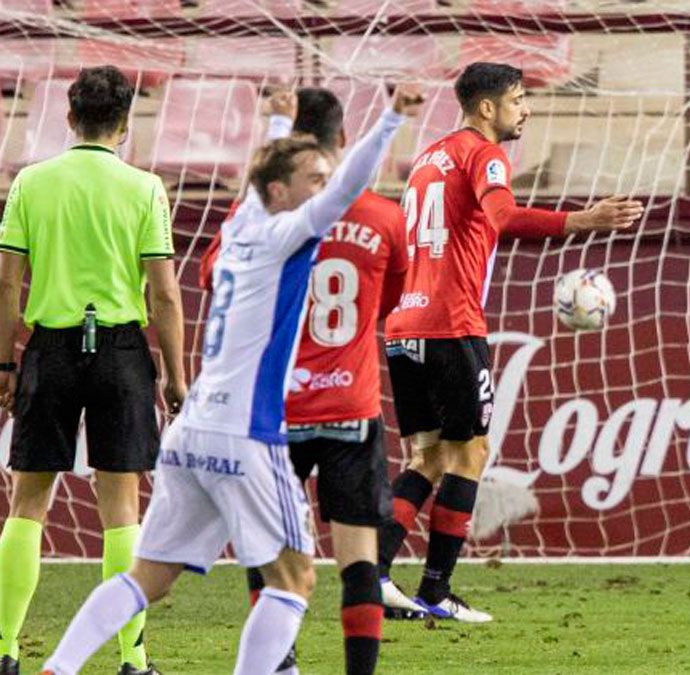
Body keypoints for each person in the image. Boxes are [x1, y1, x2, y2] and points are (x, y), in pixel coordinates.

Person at [37, 84, 420, 675]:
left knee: (149, 578)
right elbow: (347, 187)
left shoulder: (244, 220)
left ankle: (56, 668)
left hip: (192, 434)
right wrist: (393, 118)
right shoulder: (284, 232)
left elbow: (269, 174)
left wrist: (273, 121)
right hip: (247, 433)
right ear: (279, 194)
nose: (323, 188)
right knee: (294, 579)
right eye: (311, 180)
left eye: (322, 177)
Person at [376, 61, 644, 623]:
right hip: (452, 325)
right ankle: (436, 589)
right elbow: (500, 215)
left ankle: (373, 575)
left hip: (405, 328)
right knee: (470, 453)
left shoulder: (428, 157)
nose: (526, 109)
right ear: (487, 108)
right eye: (519, 99)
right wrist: (584, 220)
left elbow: (406, 249)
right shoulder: (484, 153)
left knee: (427, 459)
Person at [198, 86, 412, 675]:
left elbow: (216, 278)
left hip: (273, 411)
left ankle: (280, 665)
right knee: (359, 558)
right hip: (351, 406)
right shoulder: (384, 217)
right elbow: (387, 304)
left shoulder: (263, 218)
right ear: (344, 139)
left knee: (267, 549)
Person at [0, 66, 186, 675]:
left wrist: (4, 361)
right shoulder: (144, 188)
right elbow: (163, 294)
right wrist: (177, 376)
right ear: (126, 124)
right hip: (120, 352)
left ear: (70, 117)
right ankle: (132, 659)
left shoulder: (31, 182)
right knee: (122, 509)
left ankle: (4, 651)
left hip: (49, 350)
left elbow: (6, 283)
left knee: (28, 504)